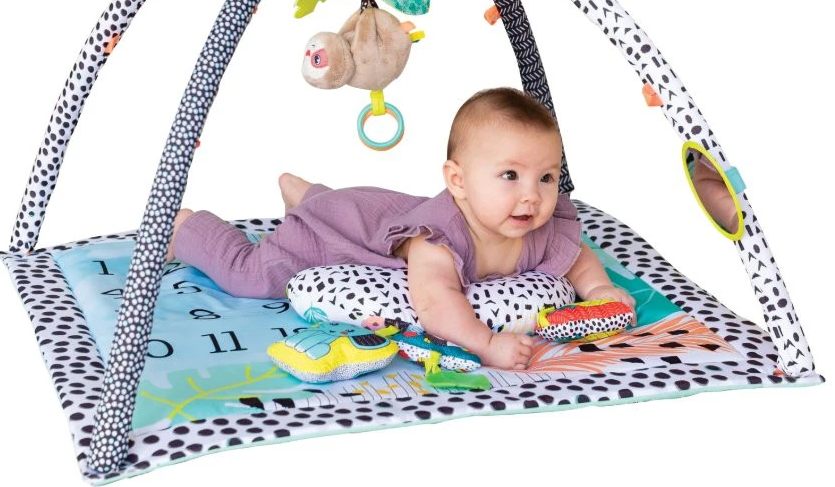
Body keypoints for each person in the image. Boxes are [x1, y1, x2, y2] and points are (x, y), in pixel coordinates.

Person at [168, 87, 636, 370]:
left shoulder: (536, 223)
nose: (532, 196)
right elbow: (434, 303)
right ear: (458, 182)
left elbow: (576, 254)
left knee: (359, 207)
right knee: (252, 276)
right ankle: (190, 226)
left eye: (547, 177)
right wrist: (487, 343)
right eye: (510, 175)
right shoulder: (440, 239)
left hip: (373, 208)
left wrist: (599, 289)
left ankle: (306, 192)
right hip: (338, 232)